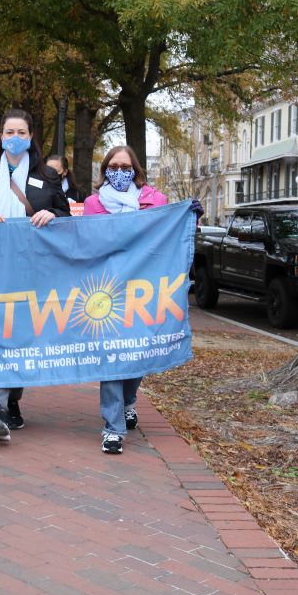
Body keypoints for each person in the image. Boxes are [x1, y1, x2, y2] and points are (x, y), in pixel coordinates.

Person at [0, 108, 70, 443]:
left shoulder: (47, 176)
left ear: (31, 136)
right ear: (1, 136)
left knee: (20, 337)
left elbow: (66, 216)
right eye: (10, 132)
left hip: (31, 271)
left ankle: (12, 399)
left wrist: (52, 214)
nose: (15, 138)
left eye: (22, 132)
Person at [83, 145, 190, 454]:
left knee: (137, 352)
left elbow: (171, 234)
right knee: (112, 358)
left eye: (124, 166)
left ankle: (129, 400)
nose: (119, 172)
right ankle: (112, 427)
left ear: (136, 170)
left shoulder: (156, 201)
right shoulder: (93, 203)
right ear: (104, 170)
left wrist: (189, 216)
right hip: (106, 290)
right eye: (113, 166)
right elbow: (86, 241)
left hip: (144, 290)